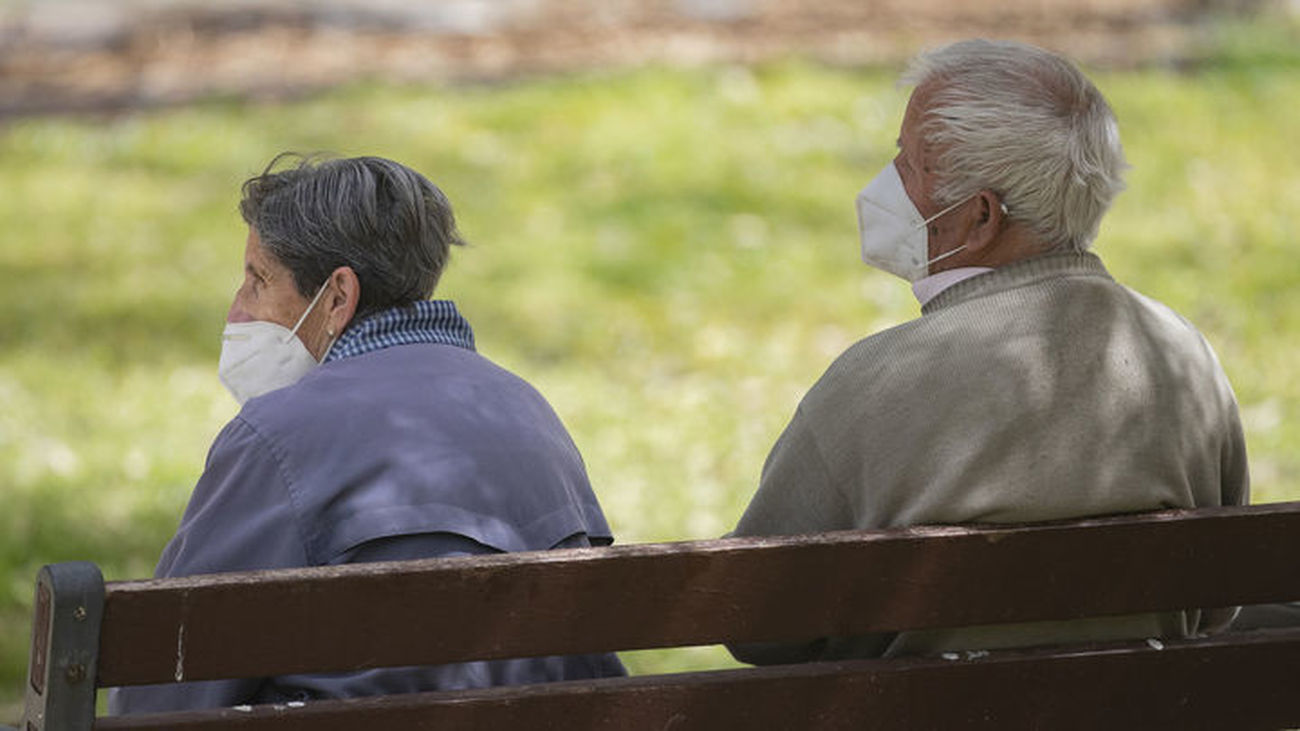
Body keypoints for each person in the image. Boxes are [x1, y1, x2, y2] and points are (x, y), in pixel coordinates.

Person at [728, 39, 1249, 663]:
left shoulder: (876, 383)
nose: (886, 182)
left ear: (980, 218)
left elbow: (755, 621)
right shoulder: (1182, 356)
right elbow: (1219, 600)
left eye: (908, 164)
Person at [109, 153, 625, 713]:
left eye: (258, 279)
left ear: (337, 297)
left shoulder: (278, 436)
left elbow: (164, 691)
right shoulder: (527, 409)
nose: (237, 310)